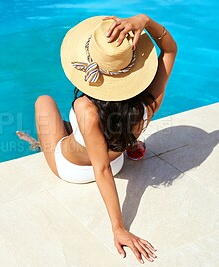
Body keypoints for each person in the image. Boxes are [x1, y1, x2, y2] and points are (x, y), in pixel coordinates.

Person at [17, 14, 177, 264]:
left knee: (44, 102)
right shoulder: (149, 101)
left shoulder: (85, 107)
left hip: (75, 168)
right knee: (102, 132)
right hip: (116, 162)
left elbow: (99, 168)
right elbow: (169, 49)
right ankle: (128, 143)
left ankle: (42, 145)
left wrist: (119, 228)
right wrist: (145, 21)